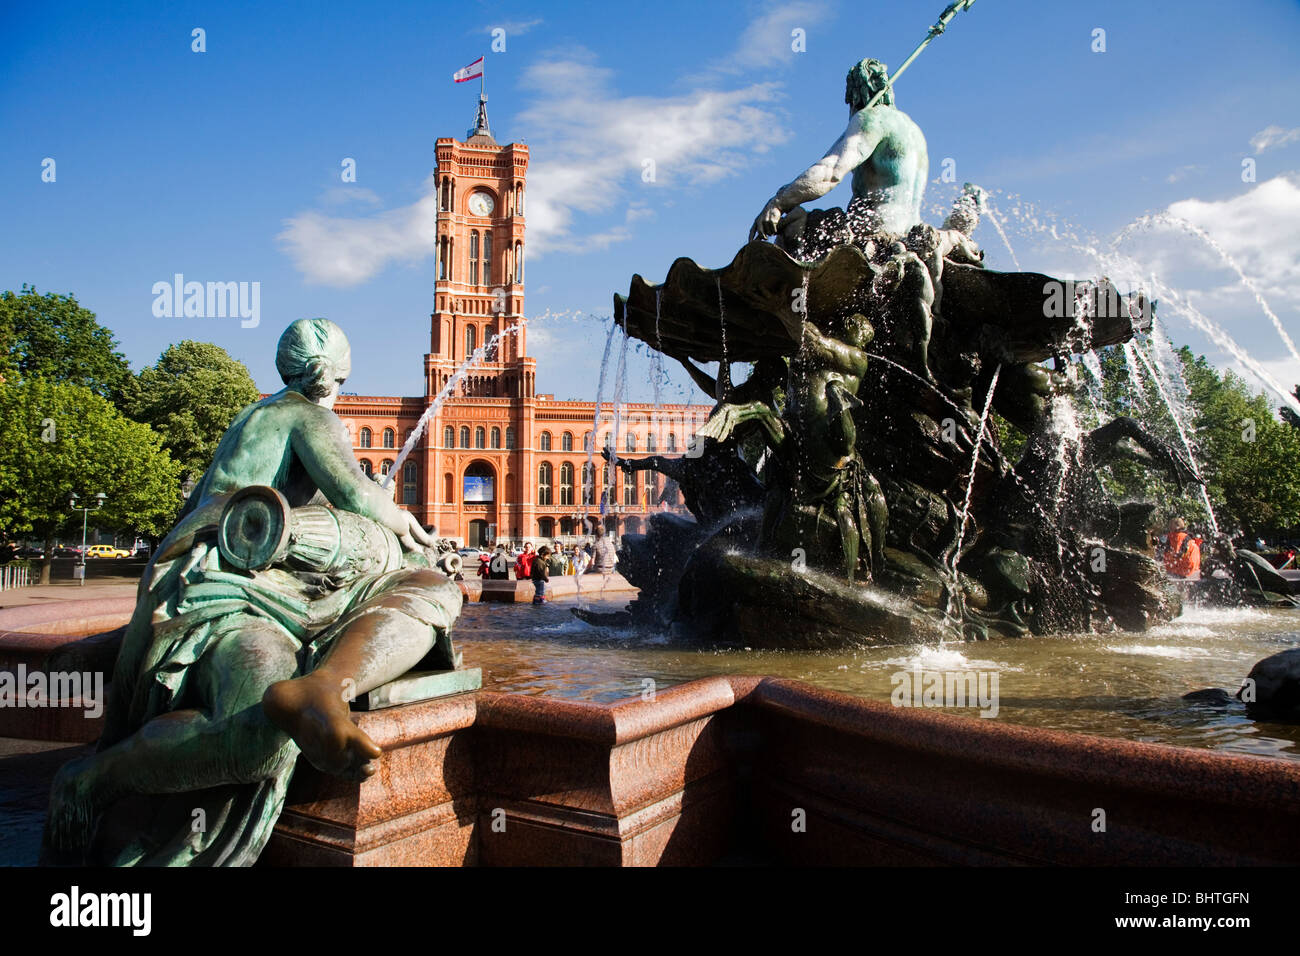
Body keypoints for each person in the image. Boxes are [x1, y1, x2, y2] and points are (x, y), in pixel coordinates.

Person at [44, 318, 460, 866]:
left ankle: (322, 688)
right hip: (233, 577)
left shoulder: (255, 416)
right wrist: (413, 532)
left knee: (430, 591)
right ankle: (93, 780)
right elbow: (359, 494)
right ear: (335, 372)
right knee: (256, 730)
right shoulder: (305, 415)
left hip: (249, 573)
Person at [750, 57, 929, 243]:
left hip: (874, 231)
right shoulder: (913, 131)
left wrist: (779, 202)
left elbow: (830, 173)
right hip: (908, 233)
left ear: (856, 94)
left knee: (793, 226)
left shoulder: (871, 118)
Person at [592, 531, 618, 598]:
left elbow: (592, 562)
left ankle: (595, 596)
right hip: (611, 569)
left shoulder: (596, 544)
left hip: (600, 569)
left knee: (587, 575)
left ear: (596, 536)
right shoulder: (611, 544)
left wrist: (585, 571)